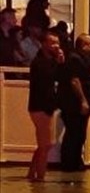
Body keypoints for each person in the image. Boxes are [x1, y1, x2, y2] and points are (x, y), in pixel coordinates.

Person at [27, 31, 64, 181]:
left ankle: (31, 173)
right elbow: (49, 78)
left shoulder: (50, 61)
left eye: (57, 43)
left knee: (44, 144)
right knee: (46, 145)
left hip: (45, 106)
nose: (56, 46)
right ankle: (40, 178)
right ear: (44, 44)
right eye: (52, 43)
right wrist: (59, 63)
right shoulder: (39, 62)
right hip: (39, 106)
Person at [58, 34, 90, 172]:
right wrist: (83, 101)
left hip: (79, 104)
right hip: (74, 105)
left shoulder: (83, 59)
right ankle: (69, 164)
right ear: (83, 46)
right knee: (74, 133)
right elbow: (75, 80)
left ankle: (75, 162)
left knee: (80, 134)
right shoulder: (75, 60)